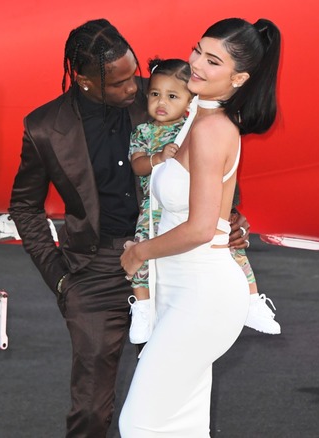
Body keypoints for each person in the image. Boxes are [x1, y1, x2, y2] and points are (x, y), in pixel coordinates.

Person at [8, 18, 253, 436]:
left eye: (133, 73)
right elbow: (24, 206)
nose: (134, 89)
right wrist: (60, 278)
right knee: (89, 409)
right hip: (95, 269)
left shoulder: (166, 95)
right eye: (120, 83)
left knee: (175, 399)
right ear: (84, 80)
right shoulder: (45, 127)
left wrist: (229, 220)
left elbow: (209, 174)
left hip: (170, 261)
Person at [118, 17, 281, 436]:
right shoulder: (195, 116)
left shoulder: (211, 129)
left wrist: (138, 253)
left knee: (139, 424)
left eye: (213, 60)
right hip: (177, 289)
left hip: (201, 294)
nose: (196, 64)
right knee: (180, 425)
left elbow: (201, 228)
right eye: (197, 50)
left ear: (239, 77)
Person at [126, 57, 279, 344]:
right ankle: (143, 307)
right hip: (153, 209)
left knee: (230, 248)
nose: (161, 102)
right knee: (142, 250)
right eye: (155, 94)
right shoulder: (143, 132)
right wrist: (158, 158)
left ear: (189, 101)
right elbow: (137, 165)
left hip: (194, 209)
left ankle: (252, 298)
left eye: (172, 96)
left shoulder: (196, 127)